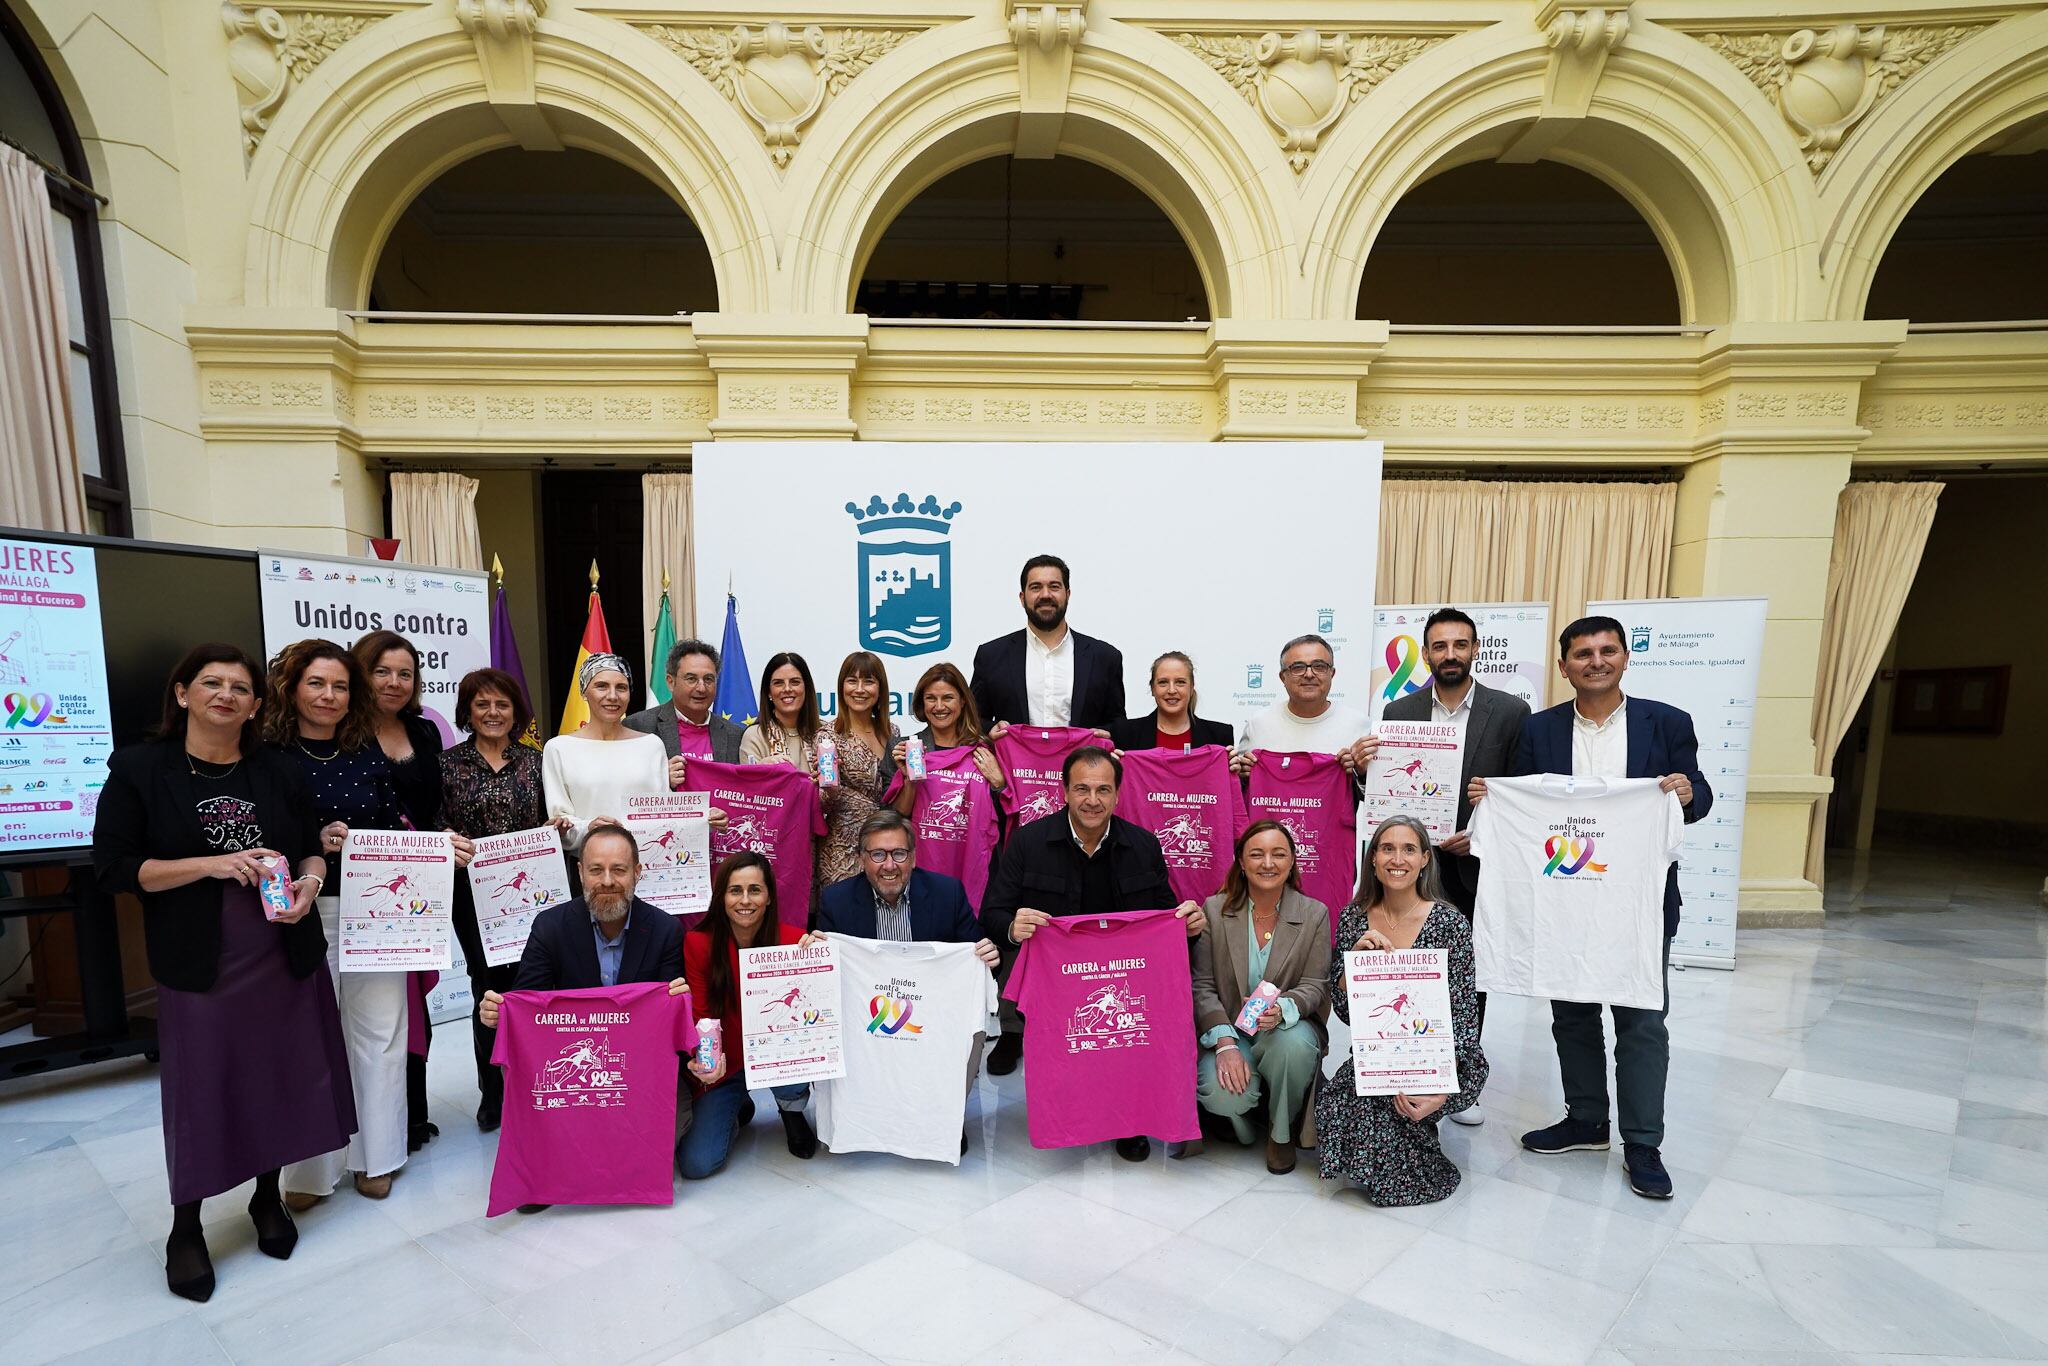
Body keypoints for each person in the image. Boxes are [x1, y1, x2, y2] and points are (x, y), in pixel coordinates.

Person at [92, 644, 353, 1302]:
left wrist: (309, 884)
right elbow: (117, 869)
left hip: (281, 949)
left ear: (257, 706)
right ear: (182, 693)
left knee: (278, 1076)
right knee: (202, 1089)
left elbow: (310, 846)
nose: (226, 695)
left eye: (241, 688)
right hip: (199, 958)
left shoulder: (276, 769)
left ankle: (267, 1198)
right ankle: (187, 1225)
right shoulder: (140, 769)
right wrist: (208, 866)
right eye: (212, 683)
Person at [1474, 615, 1711, 1201]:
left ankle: (1643, 1144)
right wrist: (1492, 797)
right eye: (1582, 654)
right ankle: (1585, 1120)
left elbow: (1700, 798)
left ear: (1626, 657)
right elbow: (1522, 803)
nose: (1596, 661)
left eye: (1607, 651)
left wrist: (1685, 792)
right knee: (1572, 1012)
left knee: (1641, 1021)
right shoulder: (1540, 728)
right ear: (1564, 666)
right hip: (1563, 899)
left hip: (1637, 903)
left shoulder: (1668, 722)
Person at [978, 746, 1206, 1158]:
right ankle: (1069, 1115)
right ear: (1063, 790)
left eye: (1103, 790)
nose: (1092, 800)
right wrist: (1012, 927)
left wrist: (1188, 925)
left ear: (1118, 794)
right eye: (1082, 789)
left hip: (1123, 977)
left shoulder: (1143, 845)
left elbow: (1167, 916)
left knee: (1125, 1038)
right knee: (1074, 1048)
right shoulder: (1028, 842)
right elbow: (992, 911)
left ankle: (1130, 1122)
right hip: (1056, 983)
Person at [476, 825, 706, 1209]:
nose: (607, 881)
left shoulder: (665, 930)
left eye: (619, 869)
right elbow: (525, 1005)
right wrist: (500, 1013)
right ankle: (545, 1173)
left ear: (637, 872)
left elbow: (669, 1023)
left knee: (670, 1137)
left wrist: (679, 1003)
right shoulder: (549, 927)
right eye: (596, 870)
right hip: (572, 1060)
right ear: (580, 872)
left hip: (636, 1071)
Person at [268, 640, 413, 1206]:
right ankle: (308, 1173)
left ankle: (377, 1157)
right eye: (317, 684)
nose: (329, 696)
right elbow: (256, 836)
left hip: (379, 910)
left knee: (381, 1034)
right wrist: (314, 844)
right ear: (292, 689)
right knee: (310, 1035)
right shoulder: (267, 756)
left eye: (340, 686)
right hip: (308, 909)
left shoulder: (365, 753)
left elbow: (391, 827)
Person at [1378, 607, 1529, 1127]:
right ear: (1426, 653)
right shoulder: (1399, 712)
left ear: (1475, 649)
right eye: (1440, 646)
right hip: (1409, 869)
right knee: (1407, 968)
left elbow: (1523, 792)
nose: (1450, 654)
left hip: (1471, 866)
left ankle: (1459, 1078)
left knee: (1467, 973)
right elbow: (1387, 793)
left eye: (1460, 645)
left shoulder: (1510, 712)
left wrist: (1485, 828)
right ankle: (1402, 1066)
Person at [1316, 815, 1487, 1206]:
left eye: (1409, 849)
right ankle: (1386, 1152)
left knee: (1398, 1116)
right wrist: (1349, 972)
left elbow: (1462, 1015)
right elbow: (1347, 1013)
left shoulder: (1450, 924)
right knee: (1345, 1106)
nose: (1398, 858)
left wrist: (1442, 1089)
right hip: (1376, 1057)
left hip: (1432, 1055)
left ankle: (1407, 1142)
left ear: (1426, 859)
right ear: (1372, 858)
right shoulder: (1353, 919)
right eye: (1387, 848)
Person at [442, 667, 570, 1133]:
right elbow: (436, 824)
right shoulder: (447, 765)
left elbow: (554, 815)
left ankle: (537, 1081)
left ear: (516, 712)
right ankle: (492, 1092)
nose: (493, 713)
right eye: (482, 704)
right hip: (473, 899)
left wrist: (557, 827)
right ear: (468, 712)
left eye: (502, 704)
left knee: (535, 985)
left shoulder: (536, 763)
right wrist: (448, 840)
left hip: (534, 894)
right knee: (488, 991)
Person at [353, 629, 449, 1154]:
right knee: (377, 1012)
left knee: (415, 1005)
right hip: (363, 890)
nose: (394, 682)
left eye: (405, 673)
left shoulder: (424, 731)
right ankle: (370, 1123)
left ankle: (411, 1117)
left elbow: (436, 804)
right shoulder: (342, 732)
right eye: (382, 671)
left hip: (420, 886)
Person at [1192, 820, 1330, 1174]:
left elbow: (1315, 984)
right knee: (1220, 1093)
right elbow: (1202, 985)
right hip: (1231, 1032)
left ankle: (1280, 1133)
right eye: (1257, 854)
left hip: (1284, 1030)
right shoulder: (1214, 910)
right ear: (1241, 861)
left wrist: (1285, 1008)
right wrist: (1223, 1043)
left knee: (1294, 1045)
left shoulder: (1315, 914)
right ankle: (1239, 1125)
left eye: (1278, 854)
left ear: (1292, 861)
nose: (1268, 863)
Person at [679, 852, 822, 1177]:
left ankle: (792, 1110)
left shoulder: (793, 941)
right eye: (735, 890)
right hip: (727, 1063)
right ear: (722, 897)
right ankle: (738, 1106)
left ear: (769, 895)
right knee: (696, 1164)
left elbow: (812, 1011)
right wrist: (708, 1063)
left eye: (754, 890)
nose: (745, 900)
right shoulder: (698, 943)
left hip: (779, 1058)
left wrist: (820, 955)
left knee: (796, 1039)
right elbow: (703, 1015)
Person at [969, 554, 1127, 730]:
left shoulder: (1105, 657)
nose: (1045, 595)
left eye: (1054, 586)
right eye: (1036, 587)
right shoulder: (991, 656)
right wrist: (991, 729)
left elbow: (1117, 722)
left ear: (1068, 594)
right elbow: (972, 720)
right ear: (1022, 598)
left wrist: (1103, 735)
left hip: (1082, 757)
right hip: (1012, 758)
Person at [816, 811, 998, 956]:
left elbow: (977, 956)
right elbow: (828, 976)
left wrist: (991, 957)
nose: (889, 865)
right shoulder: (836, 902)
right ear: (862, 859)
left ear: (913, 858)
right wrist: (815, 955)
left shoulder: (948, 895)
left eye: (899, 853)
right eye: (878, 854)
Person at [542, 653, 670, 854]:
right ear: (584, 691)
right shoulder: (558, 748)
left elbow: (666, 812)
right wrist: (588, 827)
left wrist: (704, 816)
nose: (612, 696)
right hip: (592, 867)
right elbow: (561, 824)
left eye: (621, 687)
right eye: (601, 686)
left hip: (650, 864)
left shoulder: (651, 745)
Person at [815, 651, 902, 891]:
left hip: (885, 852)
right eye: (852, 681)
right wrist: (828, 791)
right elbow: (822, 806)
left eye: (869, 681)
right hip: (842, 852)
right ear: (842, 687)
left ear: (880, 688)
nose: (860, 689)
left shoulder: (891, 732)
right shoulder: (828, 736)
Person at [1230, 633, 1373, 777]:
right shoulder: (1259, 723)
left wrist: (1360, 773)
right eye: (1298, 667)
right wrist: (1243, 776)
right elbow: (1239, 786)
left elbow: (1372, 791)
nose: (1309, 674)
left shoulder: (1358, 724)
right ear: (1282, 677)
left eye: (1319, 666)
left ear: (1332, 673)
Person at [625, 637, 744, 787]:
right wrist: (659, 779)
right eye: (691, 679)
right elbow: (622, 786)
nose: (701, 688)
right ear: (670, 682)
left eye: (708, 679)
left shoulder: (734, 734)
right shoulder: (638, 727)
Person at [889, 661, 1006, 802]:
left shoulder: (986, 749)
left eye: (947, 698)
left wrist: (1000, 784)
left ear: (962, 700)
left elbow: (1004, 813)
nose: (939, 707)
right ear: (922, 702)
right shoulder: (901, 751)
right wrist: (910, 780)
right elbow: (893, 817)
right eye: (931, 698)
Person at [1109, 650, 1234, 752]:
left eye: (1180, 682)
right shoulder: (1124, 734)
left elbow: (1231, 782)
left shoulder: (1220, 736)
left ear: (1191, 688)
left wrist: (1237, 773)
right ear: (1153, 688)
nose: (1172, 690)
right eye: (1163, 682)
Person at [739, 651, 821, 770]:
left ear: (806, 688)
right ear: (769, 692)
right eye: (778, 683)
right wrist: (761, 770)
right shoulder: (755, 736)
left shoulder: (824, 734)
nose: (787, 689)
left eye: (795, 682)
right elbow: (748, 786)